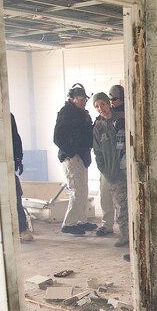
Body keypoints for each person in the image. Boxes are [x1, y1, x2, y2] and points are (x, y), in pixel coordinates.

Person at [52, 83, 95, 235]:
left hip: (82, 156)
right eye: (81, 98)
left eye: (85, 98)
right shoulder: (66, 113)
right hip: (72, 157)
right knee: (77, 190)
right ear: (72, 99)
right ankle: (69, 224)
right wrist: (70, 152)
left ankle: (81, 221)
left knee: (83, 189)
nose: (84, 101)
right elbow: (57, 137)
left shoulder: (83, 113)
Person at [91, 91, 129, 248]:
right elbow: (98, 153)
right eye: (97, 106)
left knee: (131, 204)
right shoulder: (99, 128)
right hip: (112, 173)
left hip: (127, 169)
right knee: (120, 205)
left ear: (109, 104)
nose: (101, 108)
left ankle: (133, 235)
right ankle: (125, 234)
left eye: (103, 104)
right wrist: (106, 171)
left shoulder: (122, 119)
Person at [11, 113, 33, 242]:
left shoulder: (8, 116)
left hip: (8, 163)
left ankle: (21, 228)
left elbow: (15, 139)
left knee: (16, 196)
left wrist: (18, 159)